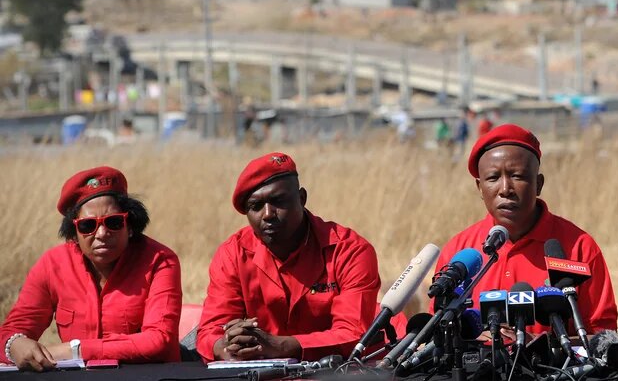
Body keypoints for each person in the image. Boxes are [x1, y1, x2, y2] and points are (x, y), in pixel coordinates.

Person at [196, 152, 381, 362]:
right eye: (255, 206)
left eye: (278, 201)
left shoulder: (350, 250)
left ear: (302, 198)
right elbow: (210, 331)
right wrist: (227, 345)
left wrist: (280, 345)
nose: (267, 214)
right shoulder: (233, 254)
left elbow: (354, 335)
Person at [435, 124, 618, 334]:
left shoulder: (579, 248)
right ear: (479, 187)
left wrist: (537, 347)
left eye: (518, 176)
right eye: (493, 178)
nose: (505, 189)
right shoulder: (458, 252)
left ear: (538, 184)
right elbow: (440, 336)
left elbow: (602, 338)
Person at [0, 167, 182, 371]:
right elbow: (10, 333)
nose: (102, 233)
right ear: (74, 234)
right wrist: (13, 344)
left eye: (113, 222)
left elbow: (159, 341)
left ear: (130, 226)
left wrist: (74, 350)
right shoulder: (52, 264)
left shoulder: (160, 261)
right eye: (88, 226)